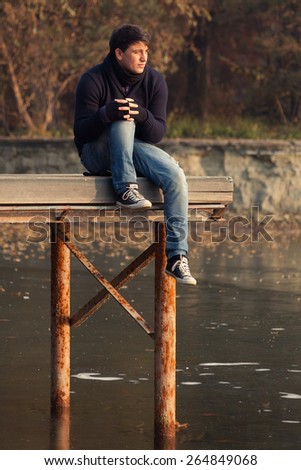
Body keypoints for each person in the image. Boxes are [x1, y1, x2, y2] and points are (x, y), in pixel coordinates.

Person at [73, 24, 196, 285]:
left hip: (134, 151)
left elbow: (157, 134)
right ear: (119, 53)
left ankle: (177, 257)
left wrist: (141, 114)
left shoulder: (155, 81)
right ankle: (125, 189)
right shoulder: (93, 79)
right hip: (96, 154)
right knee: (122, 120)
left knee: (175, 175)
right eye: (137, 51)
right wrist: (108, 114)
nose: (143, 57)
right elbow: (81, 133)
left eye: (146, 52)